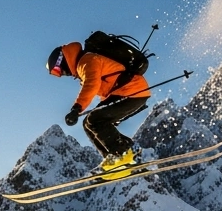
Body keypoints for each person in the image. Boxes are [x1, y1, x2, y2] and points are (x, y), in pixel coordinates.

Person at [46, 41, 151, 178]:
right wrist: (108, 114)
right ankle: (118, 158)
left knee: (94, 120)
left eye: (57, 70)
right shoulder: (85, 63)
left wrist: (77, 108)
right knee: (88, 123)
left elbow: (91, 84)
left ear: (63, 60)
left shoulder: (86, 61)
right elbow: (106, 87)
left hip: (132, 91)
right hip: (127, 92)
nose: (61, 74)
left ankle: (122, 153)